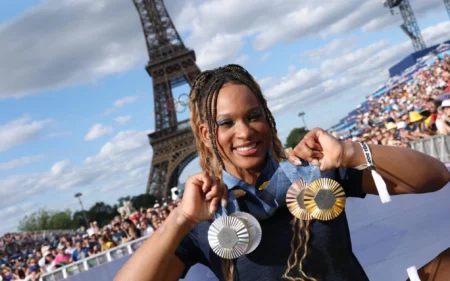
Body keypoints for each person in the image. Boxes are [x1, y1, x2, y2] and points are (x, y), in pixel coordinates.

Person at [115, 64, 450, 281]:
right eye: (226, 123)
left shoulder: (315, 174)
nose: (245, 132)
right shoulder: (203, 219)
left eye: (253, 116)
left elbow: (436, 177)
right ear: (206, 134)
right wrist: (180, 220)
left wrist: (350, 151)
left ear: (268, 118)